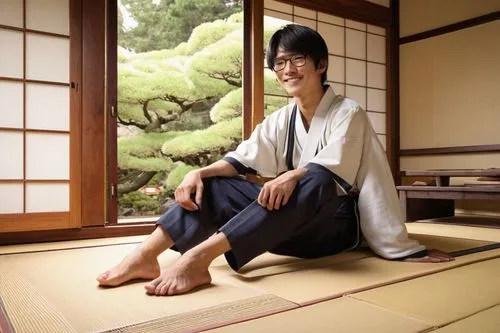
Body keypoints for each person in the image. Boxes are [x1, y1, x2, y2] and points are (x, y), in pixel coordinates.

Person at [97, 24, 453, 296]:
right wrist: (199, 172)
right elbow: (241, 159)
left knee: (314, 179)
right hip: (284, 227)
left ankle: (198, 258)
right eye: (280, 62)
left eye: (298, 59)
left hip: (333, 230)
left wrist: (293, 175)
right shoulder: (281, 119)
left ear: (321, 64)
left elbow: (334, 173)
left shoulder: (349, 112)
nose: (288, 69)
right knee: (215, 183)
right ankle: (145, 256)